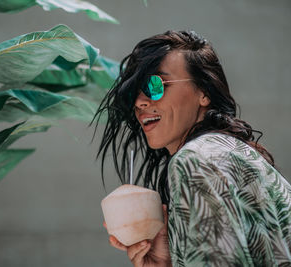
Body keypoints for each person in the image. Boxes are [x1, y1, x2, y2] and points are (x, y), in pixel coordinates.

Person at [94, 30, 291, 266]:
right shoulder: (229, 152)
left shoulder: (195, 159)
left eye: (155, 84)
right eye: (134, 91)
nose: (140, 102)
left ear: (204, 92)